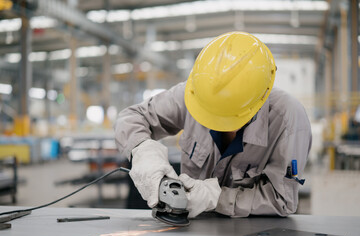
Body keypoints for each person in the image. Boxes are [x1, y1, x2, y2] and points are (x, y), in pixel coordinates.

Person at [114, 31, 312, 218]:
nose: (217, 125)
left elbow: (282, 199)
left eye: (226, 117)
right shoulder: (195, 94)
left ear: (257, 103)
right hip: (192, 228)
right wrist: (143, 150)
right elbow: (131, 117)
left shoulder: (288, 121)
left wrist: (216, 198)